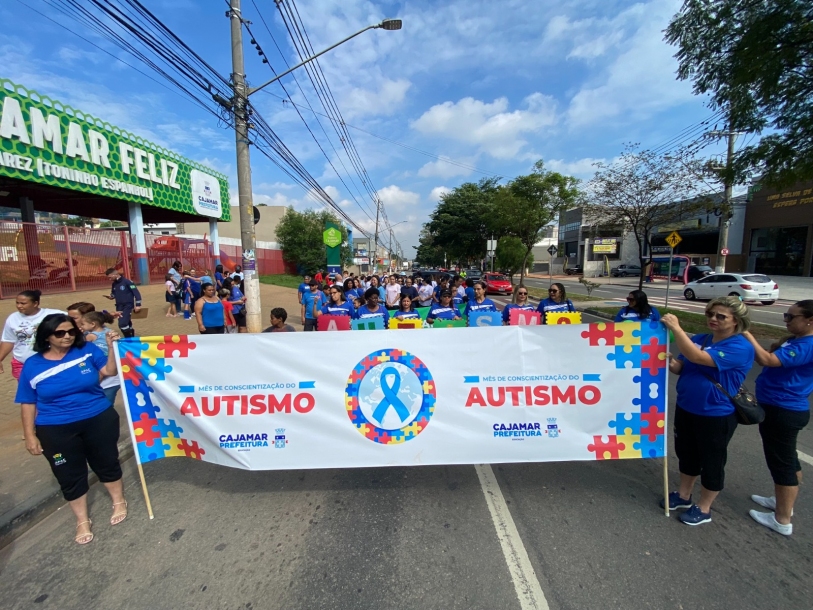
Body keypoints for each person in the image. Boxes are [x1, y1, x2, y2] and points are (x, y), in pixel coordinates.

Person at [16, 314, 126, 545]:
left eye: (71, 331)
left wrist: (111, 348)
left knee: (106, 461)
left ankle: (118, 501)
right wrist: (29, 435)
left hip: (98, 418)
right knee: (68, 473)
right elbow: (27, 402)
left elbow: (110, 371)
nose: (67, 336)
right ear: (47, 336)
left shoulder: (86, 350)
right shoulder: (33, 365)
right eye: (60, 333)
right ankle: (82, 520)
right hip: (54, 428)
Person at [660, 296, 755, 526]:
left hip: (716, 413)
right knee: (686, 454)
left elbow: (698, 357)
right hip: (686, 407)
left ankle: (704, 508)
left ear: (736, 320)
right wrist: (671, 363)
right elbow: (683, 366)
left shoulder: (740, 346)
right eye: (710, 314)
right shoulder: (700, 339)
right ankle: (684, 495)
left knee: (712, 461)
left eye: (721, 316)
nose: (713, 319)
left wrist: (676, 328)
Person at [741, 300, 813, 536]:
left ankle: (782, 519)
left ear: (810, 320)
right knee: (788, 459)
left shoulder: (808, 345)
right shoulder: (796, 340)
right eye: (786, 315)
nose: (786, 320)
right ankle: (782, 503)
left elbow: (768, 360)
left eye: (791, 317)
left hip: (784, 409)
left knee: (782, 464)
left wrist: (747, 334)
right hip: (779, 407)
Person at [0, 290, 64, 380]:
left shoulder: (53, 315)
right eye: (17, 303)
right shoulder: (13, 318)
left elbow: (76, 319)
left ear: (35, 303)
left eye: (23, 303)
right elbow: (8, 340)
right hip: (21, 363)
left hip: (47, 362)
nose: (19, 306)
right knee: (26, 387)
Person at [78, 311, 121, 406]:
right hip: (110, 357)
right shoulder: (108, 331)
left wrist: (80, 334)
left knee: (99, 374)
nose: (81, 326)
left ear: (93, 324)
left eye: (83, 324)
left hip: (100, 358)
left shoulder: (90, 336)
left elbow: (82, 346)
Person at [104, 268, 141, 337]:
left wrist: (138, 305)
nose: (109, 279)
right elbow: (113, 293)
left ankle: (128, 338)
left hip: (128, 306)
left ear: (115, 274)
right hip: (119, 306)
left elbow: (136, 293)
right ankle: (131, 336)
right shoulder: (114, 284)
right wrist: (111, 296)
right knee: (127, 322)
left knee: (122, 324)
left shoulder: (128, 282)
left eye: (110, 277)